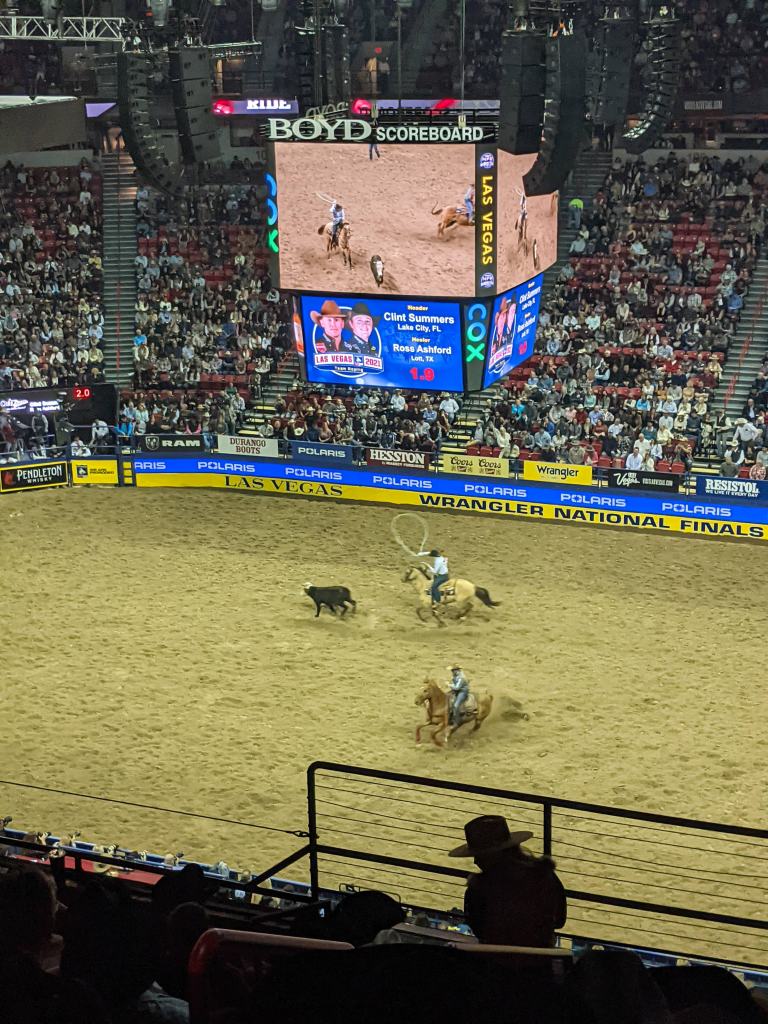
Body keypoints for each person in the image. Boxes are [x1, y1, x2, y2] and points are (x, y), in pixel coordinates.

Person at [449, 815, 567, 947]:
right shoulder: (544, 874)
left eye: (479, 856)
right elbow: (559, 921)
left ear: (491, 856)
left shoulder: (478, 889)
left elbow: (480, 931)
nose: (475, 861)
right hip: (541, 956)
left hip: (496, 957)